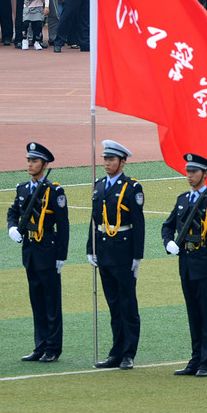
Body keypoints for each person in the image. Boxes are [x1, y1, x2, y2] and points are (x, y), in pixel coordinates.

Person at [160, 153, 207, 378]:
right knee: (193, 315)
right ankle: (195, 358)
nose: (189, 175)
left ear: (205, 174)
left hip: (205, 265)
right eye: (188, 171)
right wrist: (168, 242)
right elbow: (167, 226)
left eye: (194, 172)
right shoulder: (182, 200)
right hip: (186, 265)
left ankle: (206, 361)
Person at [6, 142, 68, 363]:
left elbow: (63, 225)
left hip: (48, 252)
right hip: (30, 252)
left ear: (45, 164)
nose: (30, 164)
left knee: (51, 303)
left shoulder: (55, 191)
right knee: (37, 302)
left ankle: (53, 347)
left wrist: (61, 256)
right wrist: (12, 227)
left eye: (34, 161)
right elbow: (13, 211)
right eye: (29, 160)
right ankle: (39, 346)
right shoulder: (23, 189)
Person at [86, 140, 144, 371]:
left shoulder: (132, 187)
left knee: (127, 304)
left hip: (124, 250)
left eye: (111, 159)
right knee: (113, 305)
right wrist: (91, 248)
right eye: (105, 159)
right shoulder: (99, 186)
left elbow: (138, 224)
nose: (107, 163)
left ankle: (128, 353)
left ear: (122, 161)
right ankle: (116, 352)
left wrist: (137, 256)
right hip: (105, 250)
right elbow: (94, 220)